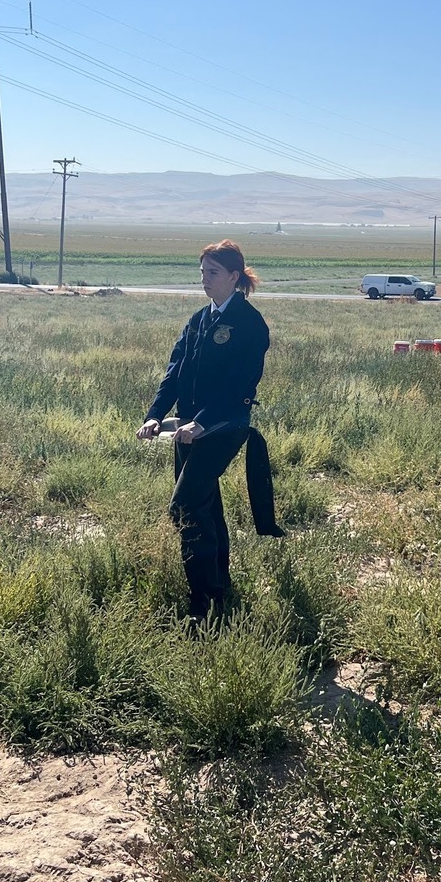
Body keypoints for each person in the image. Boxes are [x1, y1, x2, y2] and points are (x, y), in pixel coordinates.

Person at [136, 239, 282, 620]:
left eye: (213, 272)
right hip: (186, 428)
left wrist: (203, 421)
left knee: (184, 505)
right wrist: (155, 415)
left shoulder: (250, 324)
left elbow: (240, 383)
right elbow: (174, 373)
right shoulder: (199, 320)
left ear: (234, 276)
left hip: (224, 426)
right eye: (202, 272)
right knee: (205, 505)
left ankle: (202, 603)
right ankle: (220, 588)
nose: (205, 279)